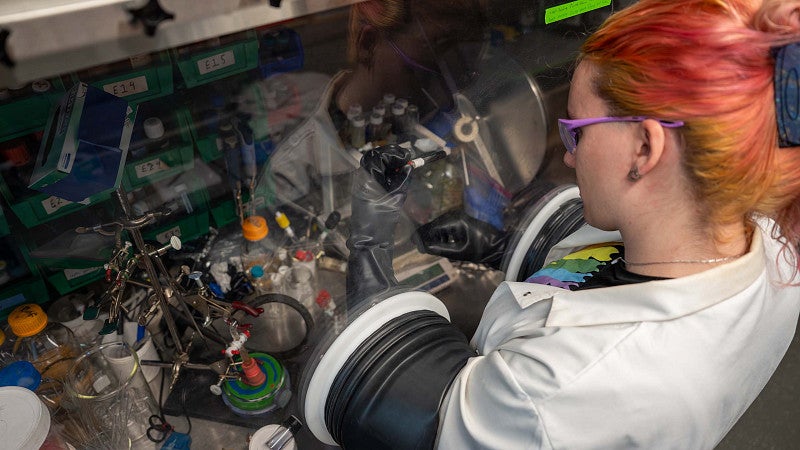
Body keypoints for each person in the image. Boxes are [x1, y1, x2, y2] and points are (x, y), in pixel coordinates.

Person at [314, 0, 800, 448]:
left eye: (576, 132)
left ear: (645, 149)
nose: (568, 159)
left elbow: (434, 421)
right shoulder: (774, 241)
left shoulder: (562, 389)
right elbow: (601, 271)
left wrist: (369, 250)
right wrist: (499, 245)